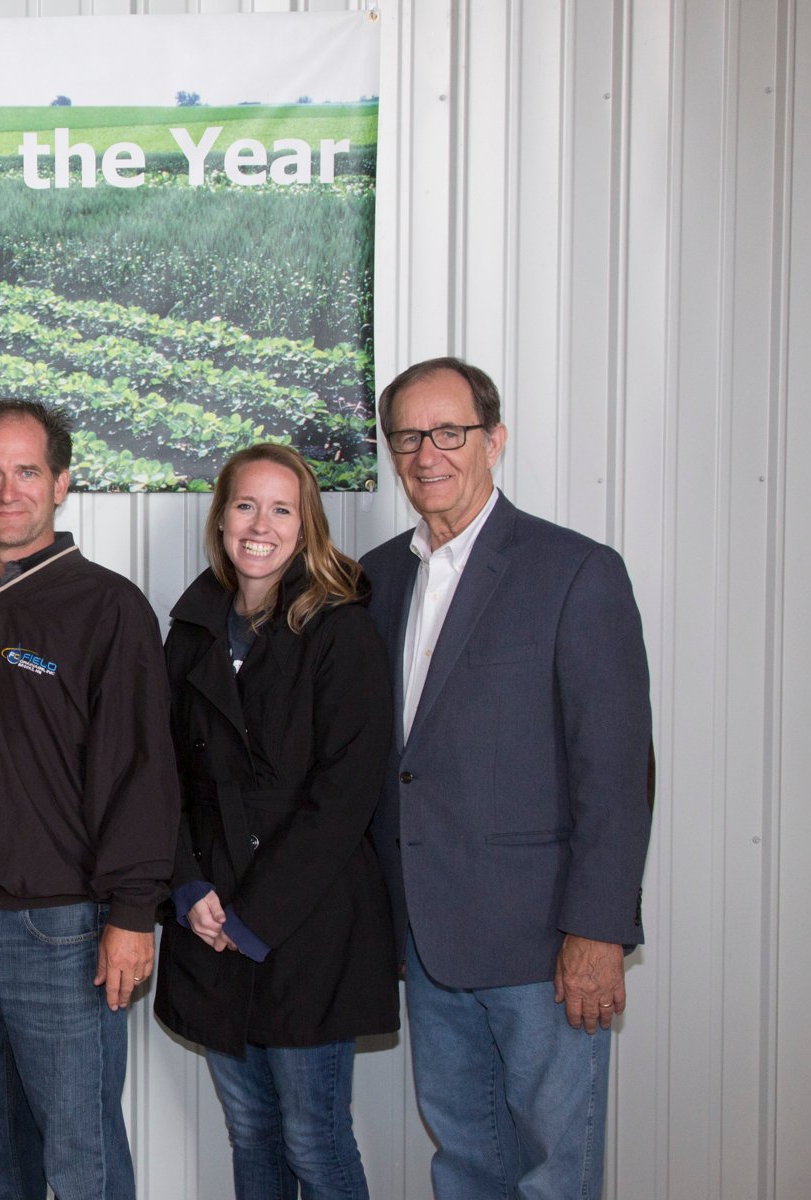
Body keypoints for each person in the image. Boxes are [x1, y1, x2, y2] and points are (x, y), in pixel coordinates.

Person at [362, 357, 652, 1199]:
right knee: (466, 1162)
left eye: (450, 432)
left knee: (554, 1172)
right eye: (408, 436)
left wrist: (598, 932)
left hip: (543, 944)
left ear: (495, 440)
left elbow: (617, 768)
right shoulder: (377, 578)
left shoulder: (574, 571)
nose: (427, 454)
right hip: (425, 933)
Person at [0, 399, 178, 1200]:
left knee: (80, 1152)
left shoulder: (109, 607)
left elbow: (143, 771)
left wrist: (133, 917)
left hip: (62, 929)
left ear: (62, 483)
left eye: (28, 471)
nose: (8, 490)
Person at [153, 444, 397, 1200]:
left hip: (306, 927)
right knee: (251, 1135)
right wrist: (189, 885)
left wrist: (254, 916)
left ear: (306, 525)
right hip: (210, 919)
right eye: (246, 505)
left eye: (281, 509)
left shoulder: (340, 629)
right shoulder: (192, 628)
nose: (261, 525)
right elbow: (166, 775)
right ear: (221, 518)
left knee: (313, 1141)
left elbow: (346, 793)